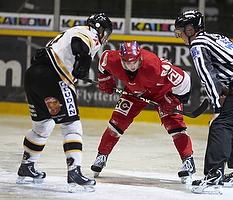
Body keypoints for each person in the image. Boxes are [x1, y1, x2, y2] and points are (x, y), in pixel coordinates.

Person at [174, 10, 233, 193]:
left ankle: (213, 176)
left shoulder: (198, 44)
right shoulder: (214, 37)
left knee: (221, 123)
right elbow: (232, 66)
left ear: (190, 29)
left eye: (181, 30)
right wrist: (230, 90)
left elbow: (208, 77)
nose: (179, 34)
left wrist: (217, 107)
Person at [16, 13, 112, 193]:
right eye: (104, 31)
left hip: (33, 76)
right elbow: (79, 43)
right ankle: (74, 172)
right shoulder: (88, 33)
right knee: (72, 126)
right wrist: (83, 60)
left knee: (42, 126)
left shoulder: (68, 33)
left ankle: (26, 166)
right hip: (54, 77)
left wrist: (80, 64)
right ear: (99, 28)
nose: (104, 35)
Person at [90, 40, 196, 184]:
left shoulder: (154, 65)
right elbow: (103, 59)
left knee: (174, 126)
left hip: (162, 94)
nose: (131, 66)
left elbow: (184, 80)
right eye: (127, 62)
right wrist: (105, 78)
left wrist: (172, 100)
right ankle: (101, 155)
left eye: (134, 61)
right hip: (134, 92)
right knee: (117, 122)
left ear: (140, 57)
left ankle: (188, 160)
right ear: (121, 59)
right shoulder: (113, 59)